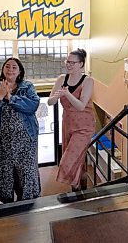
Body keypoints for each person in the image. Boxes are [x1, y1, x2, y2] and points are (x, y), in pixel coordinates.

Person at [0, 58, 41, 203]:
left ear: (19, 71)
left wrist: (11, 97)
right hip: (2, 143)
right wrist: (0, 95)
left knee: (26, 177)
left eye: (14, 67)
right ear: (3, 69)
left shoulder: (27, 87)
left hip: (26, 142)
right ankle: (7, 209)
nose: (10, 70)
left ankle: (26, 207)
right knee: (4, 178)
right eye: (7, 66)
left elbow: (33, 105)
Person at [48, 48, 95, 191]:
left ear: (81, 64)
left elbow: (81, 106)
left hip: (84, 126)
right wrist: (56, 96)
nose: (68, 65)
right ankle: (79, 188)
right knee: (77, 158)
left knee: (67, 161)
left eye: (72, 62)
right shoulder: (62, 79)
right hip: (68, 123)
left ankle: (76, 185)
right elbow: (50, 102)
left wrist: (67, 94)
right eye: (67, 62)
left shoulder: (88, 81)